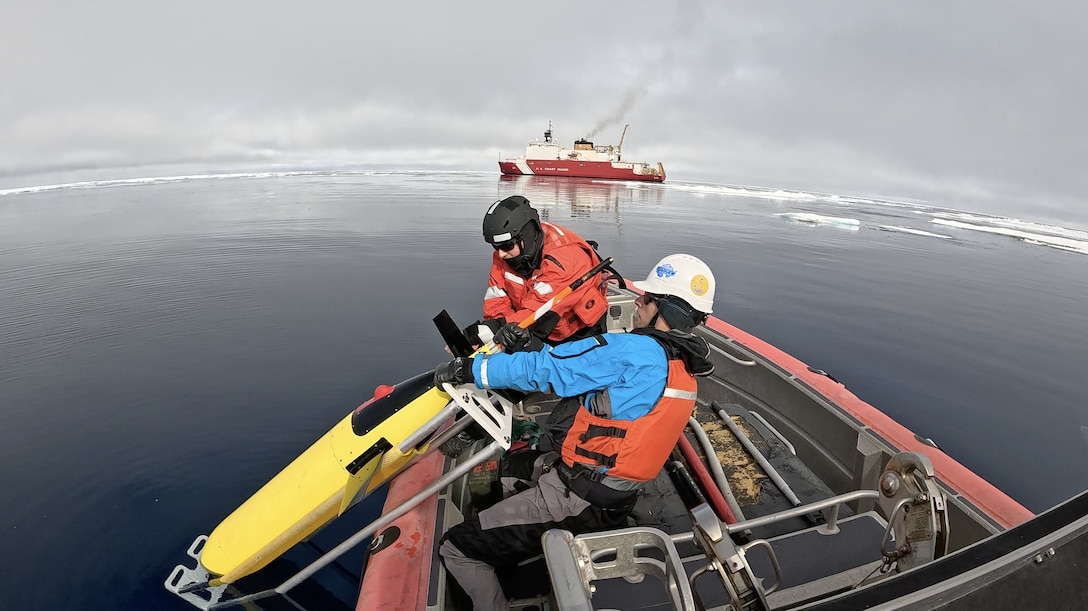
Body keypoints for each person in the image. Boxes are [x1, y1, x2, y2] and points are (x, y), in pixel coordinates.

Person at [434, 253, 717, 610]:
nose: (638, 303)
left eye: (646, 298)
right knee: (509, 472)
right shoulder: (685, 371)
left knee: (457, 547)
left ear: (663, 308)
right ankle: (510, 539)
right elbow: (595, 382)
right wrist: (539, 349)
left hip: (577, 497)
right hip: (613, 495)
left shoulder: (633, 350)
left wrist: (472, 370)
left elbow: (549, 371)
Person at [465, 195, 610, 347]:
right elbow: (496, 300)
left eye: (507, 246)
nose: (500, 253)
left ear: (525, 237)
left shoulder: (565, 258)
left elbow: (540, 309)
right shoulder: (505, 255)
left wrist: (498, 328)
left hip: (579, 335)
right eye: (496, 247)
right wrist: (490, 331)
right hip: (530, 328)